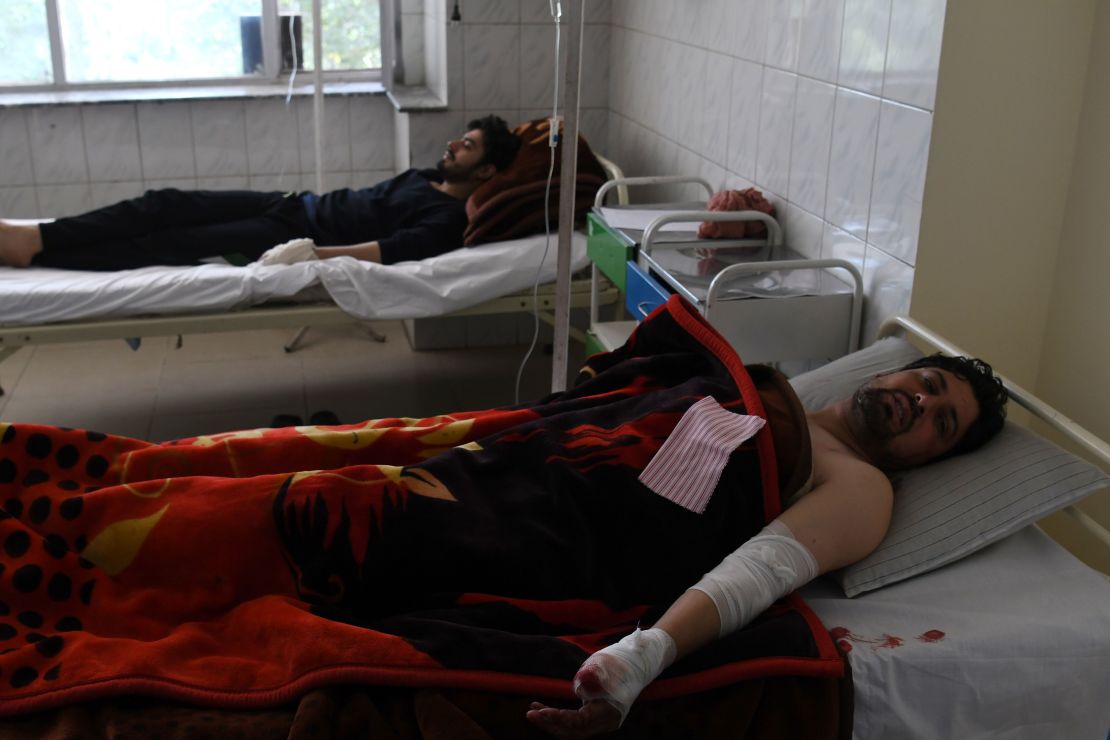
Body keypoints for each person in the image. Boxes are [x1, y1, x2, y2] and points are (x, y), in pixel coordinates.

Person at [526, 352, 1008, 738]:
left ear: (929, 460)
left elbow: (759, 571)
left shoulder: (863, 485)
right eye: (927, 382)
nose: (922, 401)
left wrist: (639, 657)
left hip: (569, 523)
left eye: (941, 423)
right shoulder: (764, 391)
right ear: (889, 371)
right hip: (540, 451)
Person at [0, 115, 520, 271]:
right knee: (164, 202)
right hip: (291, 201)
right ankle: (38, 236)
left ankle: (43, 249)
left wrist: (310, 254)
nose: (454, 143)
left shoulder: (447, 217)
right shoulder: (421, 176)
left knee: (173, 240)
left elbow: (390, 252)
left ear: (487, 170)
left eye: (467, 145)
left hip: (294, 231)